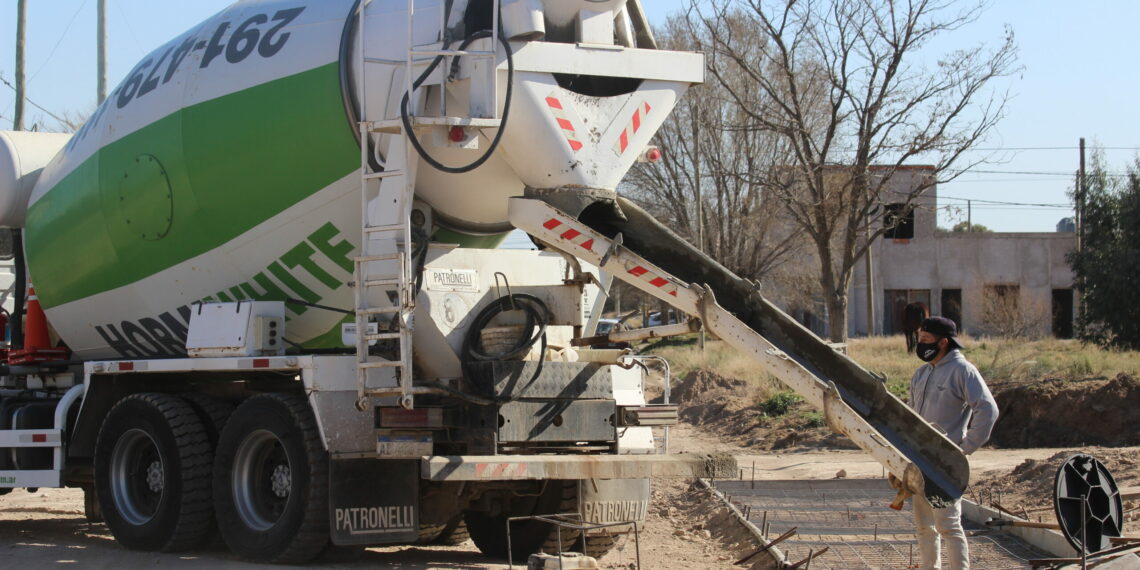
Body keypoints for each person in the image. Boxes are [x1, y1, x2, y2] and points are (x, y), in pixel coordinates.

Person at [908, 316, 998, 570]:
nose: (921, 344)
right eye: (920, 339)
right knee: (925, 526)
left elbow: (987, 410)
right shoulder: (922, 373)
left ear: (944, 342)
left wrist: (964, 448)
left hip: (944, 463)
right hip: (919, 461)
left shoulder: (962, 371)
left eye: (926, 340)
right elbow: (909, 415)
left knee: (948, 526)